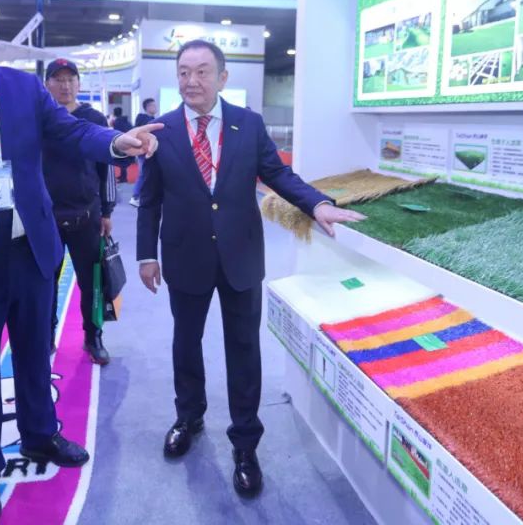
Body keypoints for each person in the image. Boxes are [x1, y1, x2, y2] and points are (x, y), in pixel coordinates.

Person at [0, 0, 160, 524]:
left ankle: (41, 433)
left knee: (35, 351)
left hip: (31, 247)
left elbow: (71, 132)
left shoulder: (21, 88)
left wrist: (115, 144)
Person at [136, 39, 363, 498]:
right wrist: (146, 254)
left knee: (244, 349)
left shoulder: (248, 124)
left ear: (223, 78)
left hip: (240, 256)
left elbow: (277, 175)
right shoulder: (161, 130)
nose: (191, 81)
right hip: (185, 255)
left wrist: (317, 204)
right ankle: (189, 416)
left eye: (202, 71)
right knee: (185, 343)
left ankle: (245, 443)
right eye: (183, 72)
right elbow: (150, 198)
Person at [42, 58, 117, 365]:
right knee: (45, 282)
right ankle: (45, 335)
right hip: (47, 218)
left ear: (79, 83)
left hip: (87, 215)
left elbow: (106, 166)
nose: (65, 85)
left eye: (70, 79)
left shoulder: (93, 118)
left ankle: (93, 336)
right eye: (58, 79)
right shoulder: (40, 117)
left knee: (93, 281)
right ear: (47, 84)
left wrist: (107, 210)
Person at [129, 97, 158, 207]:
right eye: (153, 105)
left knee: (145, 174)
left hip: (144, 150)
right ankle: (135, 197)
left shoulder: (146, 119)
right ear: (148, 107)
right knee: (144, 174)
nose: (155, 108)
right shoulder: (146, 120)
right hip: (144, 150)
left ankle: (138, 196)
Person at [111, 107, 133, 183]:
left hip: (121, 141)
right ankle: (122, 176)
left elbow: (116, 133)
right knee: (123, 159)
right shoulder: (126, 121)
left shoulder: (117, 122)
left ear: (114, 113)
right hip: (128, 140)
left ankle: (123, 178)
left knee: (121, 160)